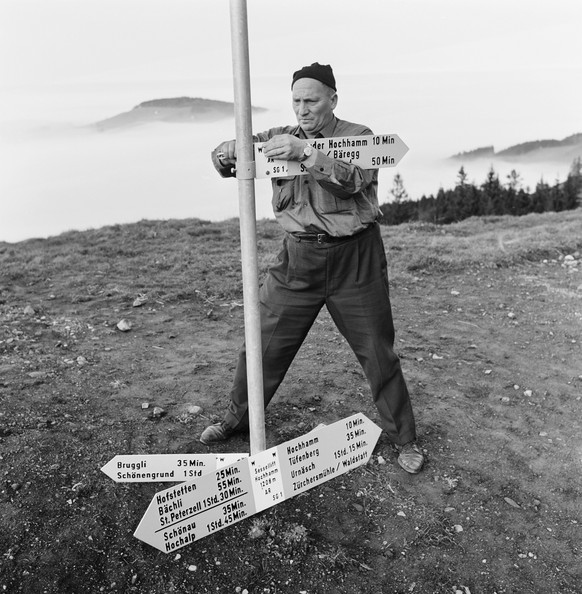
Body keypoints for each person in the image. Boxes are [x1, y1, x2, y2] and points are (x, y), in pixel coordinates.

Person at [201, 62, 424, 474]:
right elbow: (229, 162)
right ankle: (237, 420)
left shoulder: (359, 137)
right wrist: (225, 151)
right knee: (262, 343)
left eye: (312, 101)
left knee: (378, 350)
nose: (303, 110)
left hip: (356, 258)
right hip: (297, 260)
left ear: (333, 100)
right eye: (297, 101)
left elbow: (354, 181)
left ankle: (404, 439)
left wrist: (307, 154)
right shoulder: (275, 139)